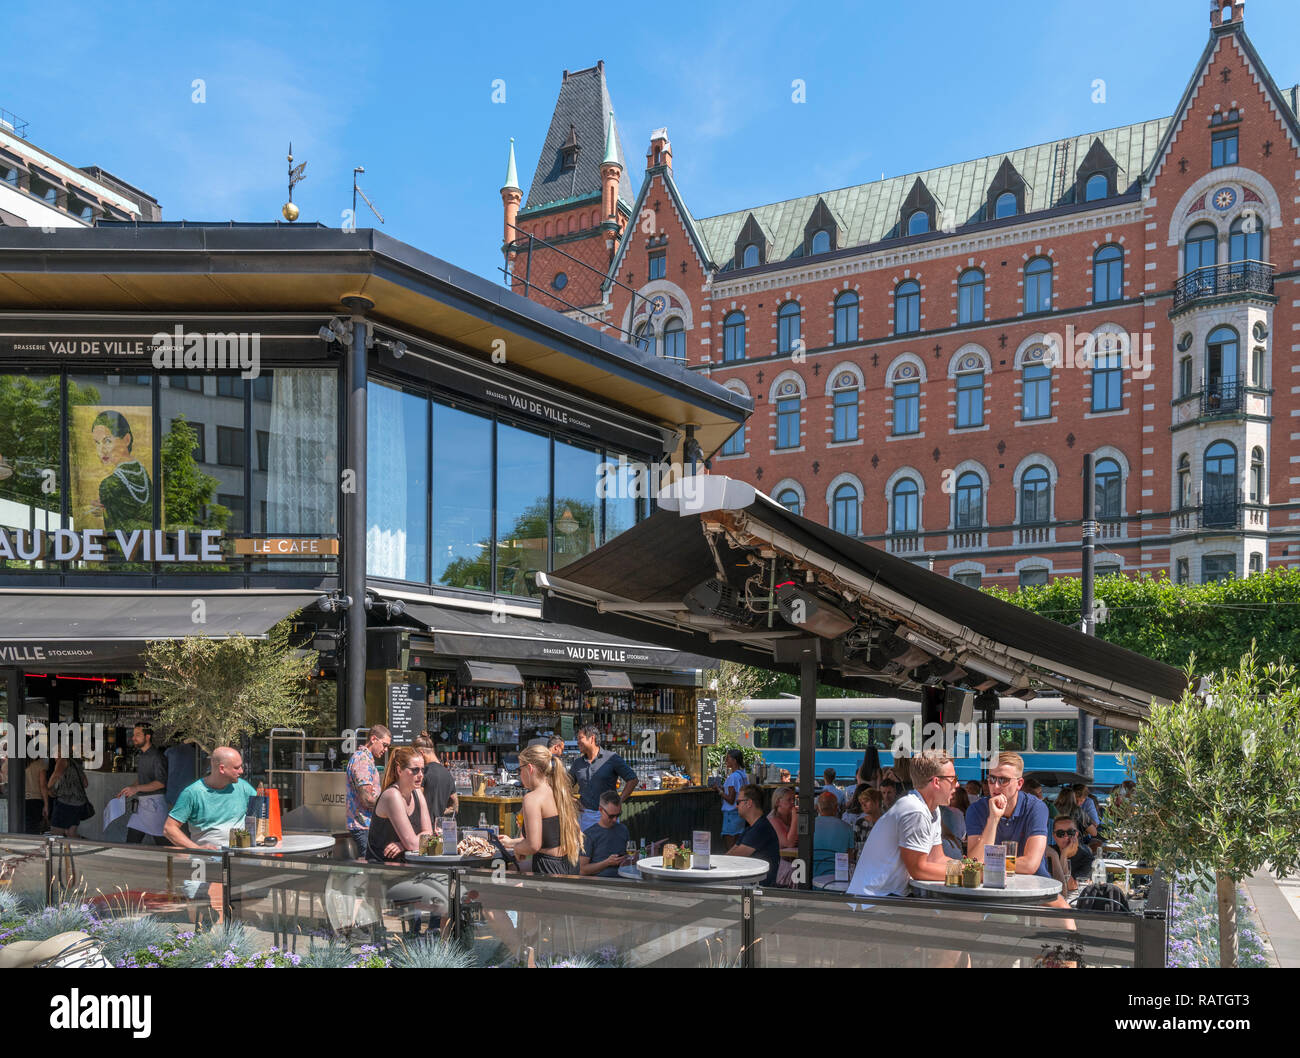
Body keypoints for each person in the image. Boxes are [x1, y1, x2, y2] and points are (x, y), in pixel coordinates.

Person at [846, 749, 959, 897]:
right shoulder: (915, 811)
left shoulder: (930, 809)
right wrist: (971, 874)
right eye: (953, 780)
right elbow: (919, 870)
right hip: (874, 900)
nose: (957, 785)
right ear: (936, 782)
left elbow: (936, 858)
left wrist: (971, 869)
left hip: (885, 897)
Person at [503, 743, 583, 874]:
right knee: (510, 871)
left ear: (529, 768)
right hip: (570, 864)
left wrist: (517, 849)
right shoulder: (560, 792)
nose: (519, 775)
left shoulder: (532, 798)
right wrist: (512, 842)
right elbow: (549, 837)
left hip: (548, 868)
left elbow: (533, 845)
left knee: (498, 874)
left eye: (520, 770)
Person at [163, 747, 258, 849]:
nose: (241, 771)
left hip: (240, 856)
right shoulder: (193, 793)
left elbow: (263, 816)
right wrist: (197, 849)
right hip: (207, 859)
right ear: (222, 769)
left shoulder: (244, 788)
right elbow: (169, 828)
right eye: (236, 768)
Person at [366, 746, 433, 863]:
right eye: (415, 770)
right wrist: (409, 843)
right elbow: (412, 844)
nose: (421, 775)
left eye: (423, 770)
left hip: (407, 867)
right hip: (382, 870)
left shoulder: (417, 792)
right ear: (399, 770)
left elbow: (429, 834)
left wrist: (403, 845)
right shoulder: (392, 795)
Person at [89, 410, 152, 531]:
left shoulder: (108, 485)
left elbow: (113, 533)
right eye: (97, 443)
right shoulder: (143, 473)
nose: (101, 449)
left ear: (126, 439)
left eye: (107, 441)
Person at [570, 725, 637, 832]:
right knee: (586, 848)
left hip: (608, 816)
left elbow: (632, 779)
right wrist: (573, 800)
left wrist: (619, 801)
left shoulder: (611, 758)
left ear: (592, 738)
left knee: (608, 848)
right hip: (585, 817)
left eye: (580, 738)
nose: (577, 742)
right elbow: (563, 786)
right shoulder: (577, 763)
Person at [345, 724, 391, 859]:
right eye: (384, 745)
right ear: (373, 739)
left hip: (365, 824)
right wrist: (389, 806)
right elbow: (367, 799)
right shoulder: (362, 760)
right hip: (363, 825)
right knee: (369, 868)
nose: (386, 750)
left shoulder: (365, 758)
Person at [118, 723, 168, 844]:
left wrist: (136, 789)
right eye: (133, 735)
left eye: (138, 735)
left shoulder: (157, 756)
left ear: (148, 736)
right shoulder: (142, 755)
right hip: (142, 805)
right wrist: (130, 789)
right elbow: (142, 779)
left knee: (163, 843)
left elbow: (161, 783)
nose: (133, 738)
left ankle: (175, 860)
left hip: (155, 806)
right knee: (132, 840)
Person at [730, 784, 780, 885]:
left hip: (759, 891)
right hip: (750, 885)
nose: (736, 806)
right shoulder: (751, 828)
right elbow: (730, 855)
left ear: (749, 803)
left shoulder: (760, 829)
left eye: (738, 802)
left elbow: (733, 858)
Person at [579, 791, 632, 878]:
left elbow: (629, 858)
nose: (615, 819)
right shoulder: (589, 835)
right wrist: (607, 862)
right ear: (600, 810)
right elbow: (582, 870)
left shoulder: (623, 829)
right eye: (611, 816)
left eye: (618, 815)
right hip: (601, 884)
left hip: (624, 879)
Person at [47, 747, 90, 838]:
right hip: (79, 804)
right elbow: (85, 783)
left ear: (59, 753)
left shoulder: (62, 760)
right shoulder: (76, 763)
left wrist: (48, 788)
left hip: (65, 803)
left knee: (56, 833)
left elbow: (56, 775)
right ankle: (80, 850)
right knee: (71, 833)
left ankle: (52, 852)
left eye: (54, 752)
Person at [412, 733, 458, 819]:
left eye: (415, 756)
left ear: (421, 753)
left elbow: (416, 802)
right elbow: (455, 807)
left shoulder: (422, 773)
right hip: (439, 828)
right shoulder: (447, 774)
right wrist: (439, 814)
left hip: (423, 827)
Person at [1045, 816, 1094, 894]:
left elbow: (1070, 885)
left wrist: (1064, 855)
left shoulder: (1087, 857)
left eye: (1070, 832)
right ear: (1054, 836)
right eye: (1060, 833)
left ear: (1077, 834)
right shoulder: (1049, 852)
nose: (1066, 836)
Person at [812, 791, 855, 878]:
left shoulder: (809, 826)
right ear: (836, 808)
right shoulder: (847, 828)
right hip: (837, 879)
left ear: (817, 808)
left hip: (812, 876)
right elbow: (850, 858)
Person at [718, 747, 748, 849]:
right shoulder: (743, 775)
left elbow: (731, 800)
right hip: (740, 814)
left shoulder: (733, 777)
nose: (726, 761)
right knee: (738, 847)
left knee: (730, 848)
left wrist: (720, 791)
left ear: (734, 761)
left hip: (731, 815)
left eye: (728, 758)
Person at [939, 786, 968, 860]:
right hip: (957, 852)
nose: (950, 799)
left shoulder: (952, 812)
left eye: (953, 798)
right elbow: (963, 836)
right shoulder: (964, 813)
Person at [24, 757, 48, 834]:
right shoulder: (40, 763)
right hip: (35, 800)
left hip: (18, 799)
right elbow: (43, 785)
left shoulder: (15, 762)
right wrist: (46, 805)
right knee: (33, 828)